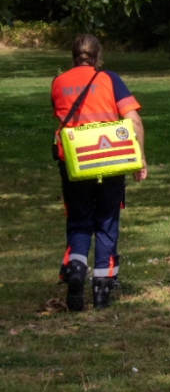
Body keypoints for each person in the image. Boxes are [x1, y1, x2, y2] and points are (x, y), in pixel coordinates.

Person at [51, 34, 147, 311]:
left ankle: (77, 272)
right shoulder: (109, 79)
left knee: (80, 222)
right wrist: (140, 157)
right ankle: (102, 293)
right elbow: (134, 120)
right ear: (98, 55)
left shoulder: (58, 82)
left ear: (73, 57)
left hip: (74, 163)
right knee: (106, 223)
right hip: (109, 161)